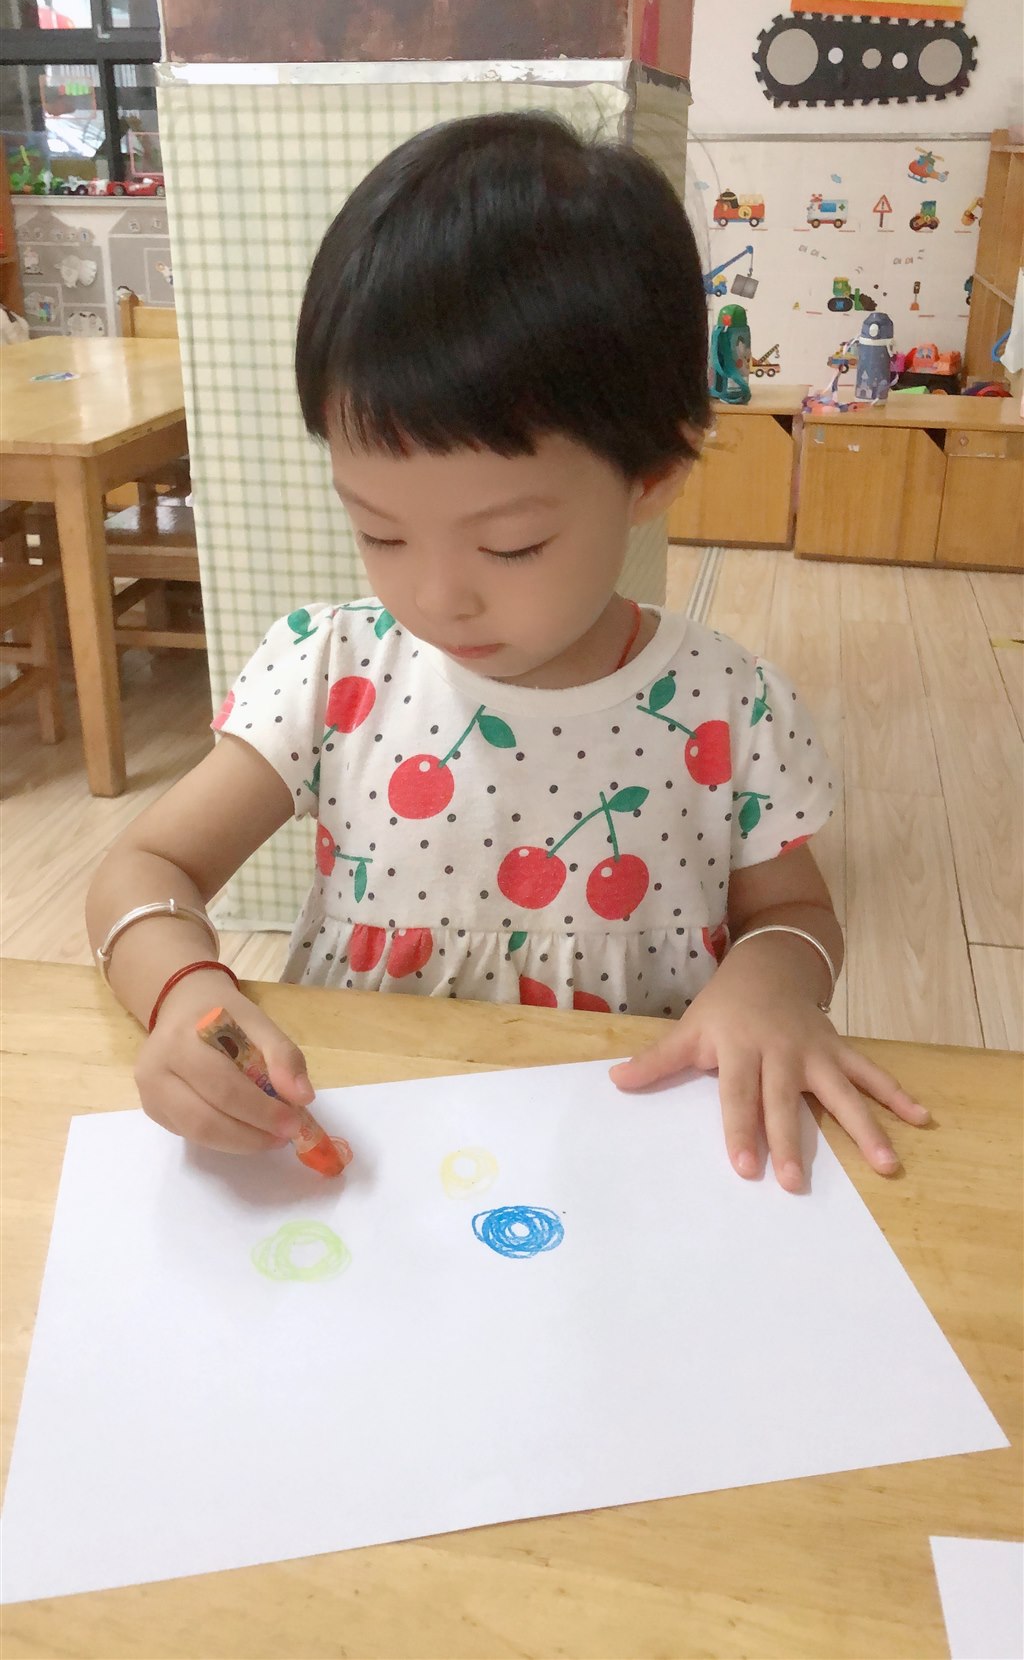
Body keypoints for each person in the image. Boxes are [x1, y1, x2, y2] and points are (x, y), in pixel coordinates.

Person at [86, 112, 928, 1191]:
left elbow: (797, 916)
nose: (436, 595)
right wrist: (183, 993)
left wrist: (773, 985)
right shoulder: (335, 673)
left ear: (653, 474)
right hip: (367, 1162)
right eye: (379, 531)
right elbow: (143, 868)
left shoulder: (725, 708)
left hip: (623, 1165)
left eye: (511, 544)